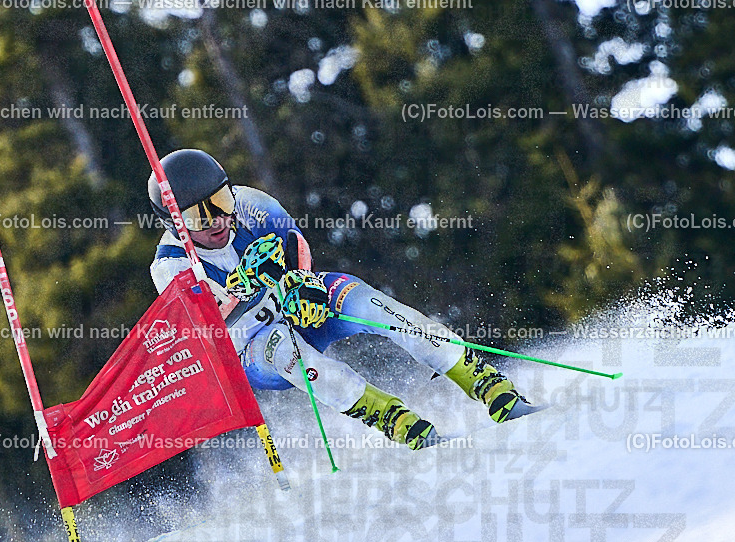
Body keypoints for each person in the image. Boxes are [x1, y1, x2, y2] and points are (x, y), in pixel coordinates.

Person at [148, 149, 542, 449]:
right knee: (293, 355)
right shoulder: (170, 265)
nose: (218, 219)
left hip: (300, 303)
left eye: (221, 202)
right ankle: (391, 417)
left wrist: (301, 281)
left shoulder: (250, 203)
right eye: (200, 217)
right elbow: (211, 322)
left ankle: (484, 382)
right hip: (253, 345)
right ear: (174, 224)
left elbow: (295, 243)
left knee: (376, 307)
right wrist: (242, 287)